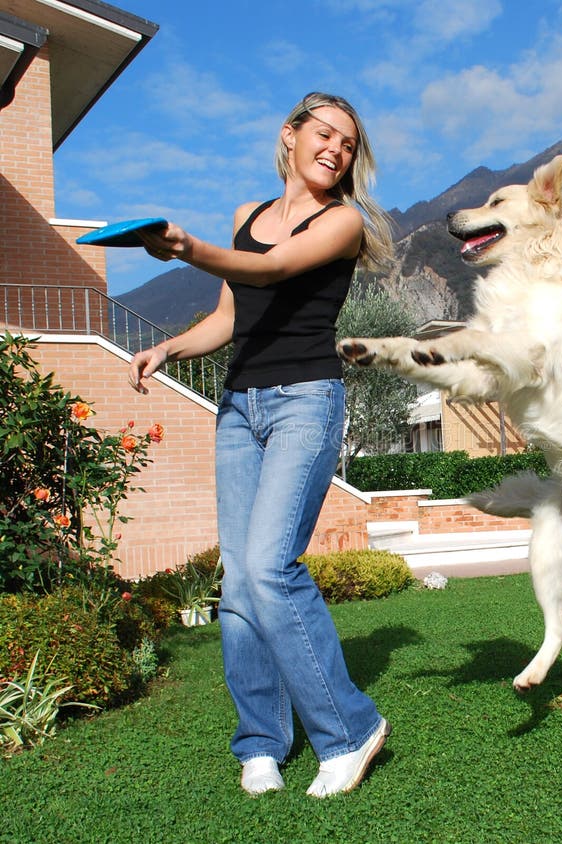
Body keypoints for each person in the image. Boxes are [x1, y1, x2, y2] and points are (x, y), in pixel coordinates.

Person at [128, 92, 395, 798]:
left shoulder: (343, 222)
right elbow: (229, 313)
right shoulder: (248, 216)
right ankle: (261, 742)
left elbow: (273, 270)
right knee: (240, 580)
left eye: (348, 143)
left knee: (272, 566)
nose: (335, 150)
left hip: (305, 401)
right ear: (291, 135)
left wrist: (186, 247)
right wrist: (171, 347)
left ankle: (350, 729)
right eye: (325, 134)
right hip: (239, 407)